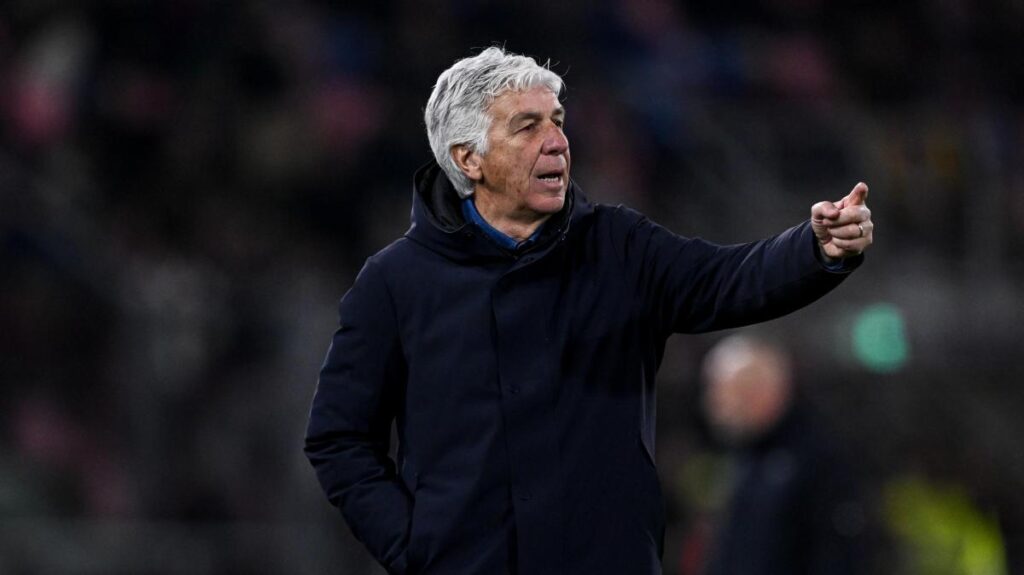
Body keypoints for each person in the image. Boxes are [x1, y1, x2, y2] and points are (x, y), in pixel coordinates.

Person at [304, 46, 874, 575]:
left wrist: (815, 248)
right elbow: (338, 437)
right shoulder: (395, 283)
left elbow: (729, 279)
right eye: (527, 126)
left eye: (557, 121)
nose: (556, 141)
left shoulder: (618, 248)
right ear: (468, 158)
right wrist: (415, 547)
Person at [700, 335, 867, 575]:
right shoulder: (746, 455)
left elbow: (839, 556)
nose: (716, 404)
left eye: (725, 391)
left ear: (760, 390)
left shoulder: (816, 457)